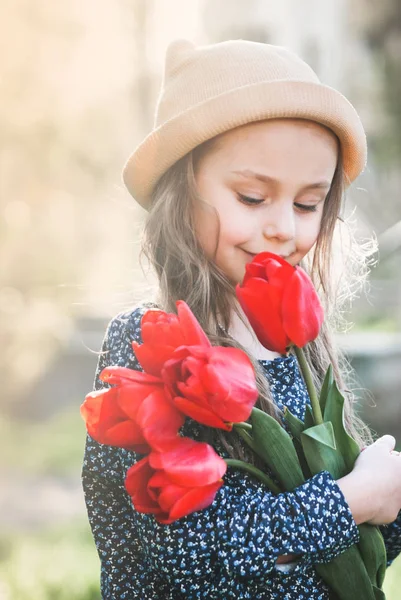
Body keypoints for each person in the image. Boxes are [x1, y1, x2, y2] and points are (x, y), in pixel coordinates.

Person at [82, 39, 401, 599]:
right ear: (181, 196)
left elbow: (343, 545)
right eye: (253, 197)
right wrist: (351, 500)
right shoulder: (151, 343)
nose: (283, 227)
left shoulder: (301, 343)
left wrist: (383, 500)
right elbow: (191, 553)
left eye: (308, 204)